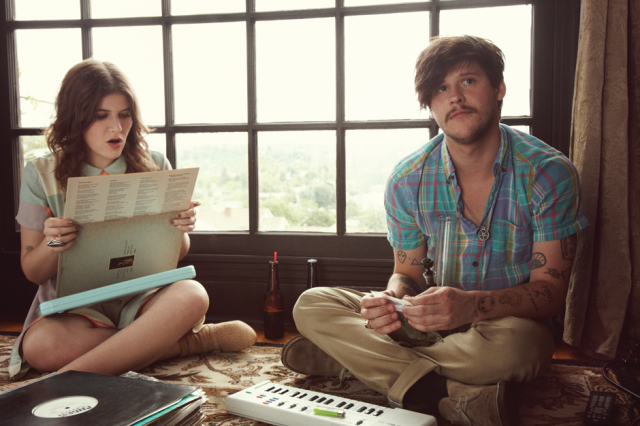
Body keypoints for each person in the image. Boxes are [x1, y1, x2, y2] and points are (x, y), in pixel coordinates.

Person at [281, 35, 589, 425]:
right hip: (424, 323)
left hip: (501, 329)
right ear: (430, 105)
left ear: (499, 89)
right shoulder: (407, 179)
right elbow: (406, 274)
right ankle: (439, 391)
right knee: (312, 303)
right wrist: (390, 302)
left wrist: (471, 305)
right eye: (441, 88)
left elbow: (550, 294)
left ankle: (350, 361)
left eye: (468, 81)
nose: (455, 97)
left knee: (521, 350)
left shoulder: (549, 173)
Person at [9, 59, 256, 380]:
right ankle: (190, 343)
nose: (117, 128)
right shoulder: (39, 174)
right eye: (101, 116)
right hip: (74, 307)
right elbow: (32, 271)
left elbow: (178, 252)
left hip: (143, 297)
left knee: (193, 294)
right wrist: (54, 242)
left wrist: (180, 225)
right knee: (41, 347)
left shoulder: (154, 164)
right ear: (76, 118)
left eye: (124, 115)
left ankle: (64, 379)